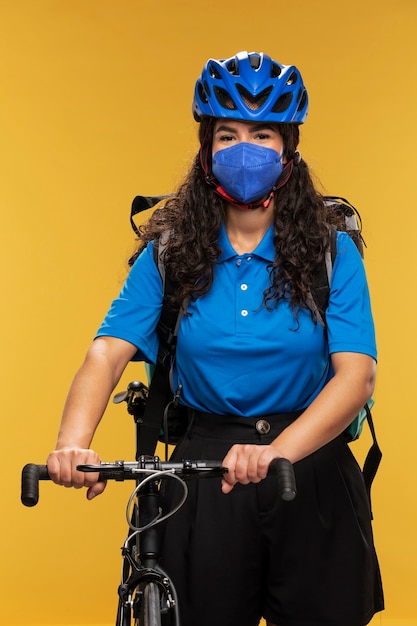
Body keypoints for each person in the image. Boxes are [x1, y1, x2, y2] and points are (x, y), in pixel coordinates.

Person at [47, 51, 384, 626]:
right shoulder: (171, 250)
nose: (243, 149)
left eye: (261, 134)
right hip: (204, 474)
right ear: (206, 149)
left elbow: (356, 376)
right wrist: (72, 442)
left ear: (289, 150)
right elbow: (106, 353)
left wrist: (278, 451)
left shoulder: (333, 252)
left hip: (310, 464)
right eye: (226, 134)